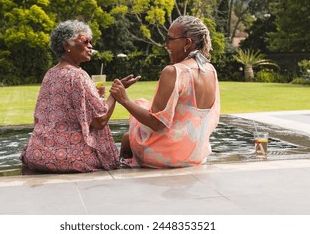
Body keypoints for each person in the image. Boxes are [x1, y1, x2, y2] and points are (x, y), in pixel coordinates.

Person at [21, 20, 140, 173]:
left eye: (91, 41)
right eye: (85, 41)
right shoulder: (78, 75)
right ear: (66, 46)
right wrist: (116, 93)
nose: (90, 45)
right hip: (69, 158)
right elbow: (99, 121)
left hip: (38, 154)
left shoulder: (50, 73)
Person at [110, 16, 220, 168]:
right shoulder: (211, 70)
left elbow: (157, 123)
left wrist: (124, 100)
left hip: (167, 156)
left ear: (187, 43)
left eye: (169, 39)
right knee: (142, 105)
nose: (166, 45)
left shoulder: (174, 71)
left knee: (127, 137)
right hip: (197, 155)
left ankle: (124, 168)